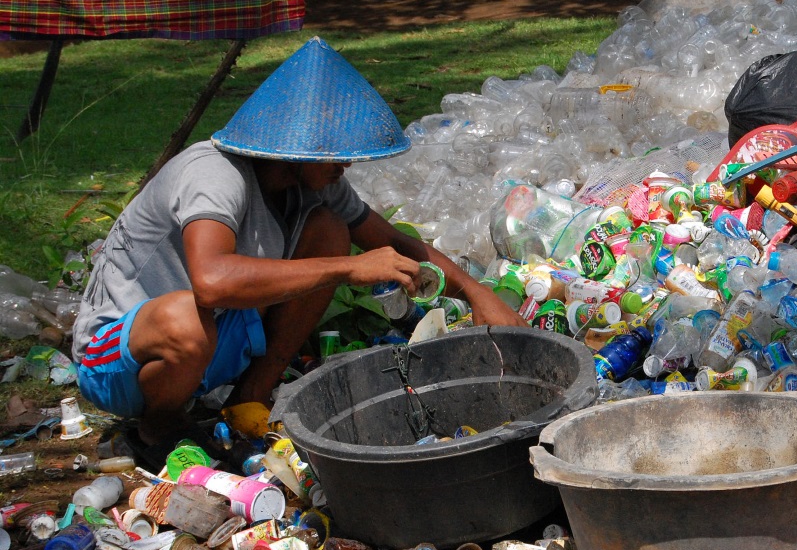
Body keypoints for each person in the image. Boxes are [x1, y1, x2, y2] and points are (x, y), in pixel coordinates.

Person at [73, 37, 524, 454]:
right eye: (336, 154)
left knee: (330, 230)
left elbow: (389, 241)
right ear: (295, 147)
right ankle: (160, 427)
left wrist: (476, 292)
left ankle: (250, 397)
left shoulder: (315, 185)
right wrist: (347, 269)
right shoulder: (215, 174)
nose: (344, 166)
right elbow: (210, 283)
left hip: (212, 344)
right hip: (118, 360)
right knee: (186, 320)